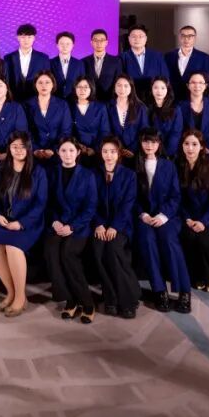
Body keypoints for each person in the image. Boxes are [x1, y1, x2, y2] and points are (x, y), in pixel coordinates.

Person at [0, 131, 48, 317]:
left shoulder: (38, 171)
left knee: (13, 247)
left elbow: (40, 204)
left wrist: (21, 223)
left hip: (28, 222)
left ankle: (20, 297)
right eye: (14, 146)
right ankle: (11, 292)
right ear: (9, 149)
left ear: (28, 148)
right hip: (5, 219)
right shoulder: (1, 169)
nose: (18, 150)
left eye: (22, 146)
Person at [134, 129, 192, 313]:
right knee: (147, 240)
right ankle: (159, 291)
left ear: (159, 144)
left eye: (153, 142)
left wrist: (162, 216)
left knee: (169, 240)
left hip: (167, 216)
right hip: (144, 217)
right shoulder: (134, 165)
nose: (149, 145)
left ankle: (184, 291)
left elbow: (175, 196)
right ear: (141, 143)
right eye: (146, 141)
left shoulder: (169, 166)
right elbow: (131, 197)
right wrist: (143, 214)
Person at [45, 137, 98, 323]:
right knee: (51, 250)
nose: (67, 154)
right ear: (58, 153)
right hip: (58, 224)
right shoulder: (52, 173)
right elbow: (48, 203)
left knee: (68, 253)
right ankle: (70, 299)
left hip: (79, 226)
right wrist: (54, 222)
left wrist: (72, 226)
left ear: (78, 153)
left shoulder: (88, 175)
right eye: (63, 150)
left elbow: (90, 207)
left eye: (71, 151)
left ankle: (87, 302)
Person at [92, 137, 142, 319]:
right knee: (98, 250)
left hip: (121, 225)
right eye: (105, 151)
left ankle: (128, 300)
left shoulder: (129, 175)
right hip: (99, 225)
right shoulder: (93, 174)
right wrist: (99, 224)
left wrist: (114, 226)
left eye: (113, 151)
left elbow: (128, 205)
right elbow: (91, 202)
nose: (109, 155)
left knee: (113, 249)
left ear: (119, 153)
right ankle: (111, 298)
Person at [177, 130, 209, 293]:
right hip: (188, 217)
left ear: (202, 147)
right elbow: (177, 199)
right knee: (189, 237)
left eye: (194, 144)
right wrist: (187, 219)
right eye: (186, 144)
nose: (190, 148)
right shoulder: (178, 166)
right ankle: (198, 275)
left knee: (204, 241)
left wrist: (203, 221)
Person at [24, 70, 72, 171]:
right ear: (35, 85)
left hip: (57, 152)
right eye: (40, 82)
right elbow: (25, 130)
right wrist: (35, 149)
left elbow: (66, 131)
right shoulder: (27, 105)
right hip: (33, 153)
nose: (44, 86)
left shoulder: (62, 105)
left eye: (47, 82)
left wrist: (54, 149)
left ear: (53, 84)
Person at [0, 74, 28, 173]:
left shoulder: (16, 108)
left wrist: (8, 152)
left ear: (6, 88)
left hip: (13, 154)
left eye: (0, 85)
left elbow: (21, 133)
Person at [178, 72, 209, 154]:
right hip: (187, 151)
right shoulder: (180, 106)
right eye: (193, 82)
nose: (197, 86)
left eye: (201, 82)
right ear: (188, 85)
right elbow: (178, 130)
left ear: (205, 86)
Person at [3, 23, 51, 103]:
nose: (26, 40)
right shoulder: (8, 58)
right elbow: (6, 80)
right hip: (14, 100)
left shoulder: (43, 58)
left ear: (34, 38)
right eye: (23, 37)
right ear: (18, 38)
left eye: (29, 37)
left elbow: (48, 80)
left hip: (36, 100)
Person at [121, 24, 169, 102]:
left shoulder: (157, 56)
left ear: (146, 38)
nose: (137, 39)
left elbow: (165, 78)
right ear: (129, 39)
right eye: (134, 36)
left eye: (140, 36)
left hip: (154, 100)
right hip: (131, 100)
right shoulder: (122, 57)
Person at [165, 25, 209, 101]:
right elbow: (165, 78)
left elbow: (207, 81)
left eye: (190, 36)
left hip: (194, 99)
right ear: (179, 37)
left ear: (195, 38)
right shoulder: (168, 56)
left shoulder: (204, 58)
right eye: (183, 36)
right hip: (172, 99)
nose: (186, 39)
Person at [70, 77, 111, 162]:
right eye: (79, 87)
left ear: (91, 89)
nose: (82, 90)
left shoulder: (100, 107)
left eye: (86, 87)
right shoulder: (69, 108)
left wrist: (95, 148)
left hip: (96, 151)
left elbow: (105, 131)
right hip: (74, 151)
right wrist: (77, 146)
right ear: (75, 89)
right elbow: (67, 131)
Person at [108, 74, 148, 160]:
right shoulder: (108, 106)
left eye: (126, 86)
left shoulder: (140, 107)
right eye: (119, 85)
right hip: (114, 152)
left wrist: (132, 149)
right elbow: (107, 130)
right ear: (114, 87)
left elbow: (143, 131)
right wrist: (118, 148)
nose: (122, 89)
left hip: (135, 152)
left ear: (131, 88)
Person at [82, 28, 122, 102]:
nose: (99, 43)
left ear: (106, 42)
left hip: (109, 100)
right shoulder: (83, 61)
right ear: (91, 42)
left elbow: (118, 81)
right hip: (90, 101)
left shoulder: (116, 61)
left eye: (102, 40)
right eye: (96, 40)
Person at [148, 77, 182, 158]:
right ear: (151, 89)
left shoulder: (175, 109)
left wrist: (166, 153)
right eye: (156, 87)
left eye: (163, 88)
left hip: (170, 153)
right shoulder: (147, 108)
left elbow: (176, 133)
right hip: (151, 151)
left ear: (168, 90)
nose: (159, 91)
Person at [50, 31, 85, 102]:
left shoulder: (79, 64)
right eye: (62, 43)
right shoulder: (50, 63)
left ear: (73, 45)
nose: (64, 46)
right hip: (55, 100)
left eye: (68, 44)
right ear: (57, 45)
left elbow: (82, 82)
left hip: (74, 100)